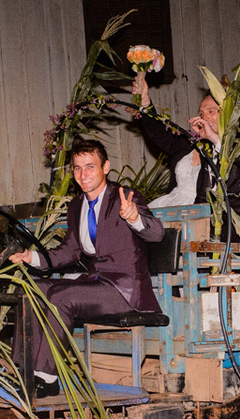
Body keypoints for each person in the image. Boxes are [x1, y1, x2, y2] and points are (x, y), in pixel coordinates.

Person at [9, 139, 164, 396]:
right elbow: (69, 251)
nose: (84, 174)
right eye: (78, 168)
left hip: (124, 290)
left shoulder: (125, 197)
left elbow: (156, 234)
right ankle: (21, 368)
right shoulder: (76, 205)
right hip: (96, 283)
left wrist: (135, 217)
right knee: (31, 288)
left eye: (90, 166)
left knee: (61, 297)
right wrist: (31, 257)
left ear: (106, 167)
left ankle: (47, 376)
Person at [133, 72, 240, 242]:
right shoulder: (198, 143)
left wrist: (214, 137)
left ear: (228, 113)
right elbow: (160, 134)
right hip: (200, 217)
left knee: (171, 235)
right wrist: (145, 101)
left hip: (239, 224)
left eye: (211, 111)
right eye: (201, 113)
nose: (204, 117)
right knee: (144, 227)